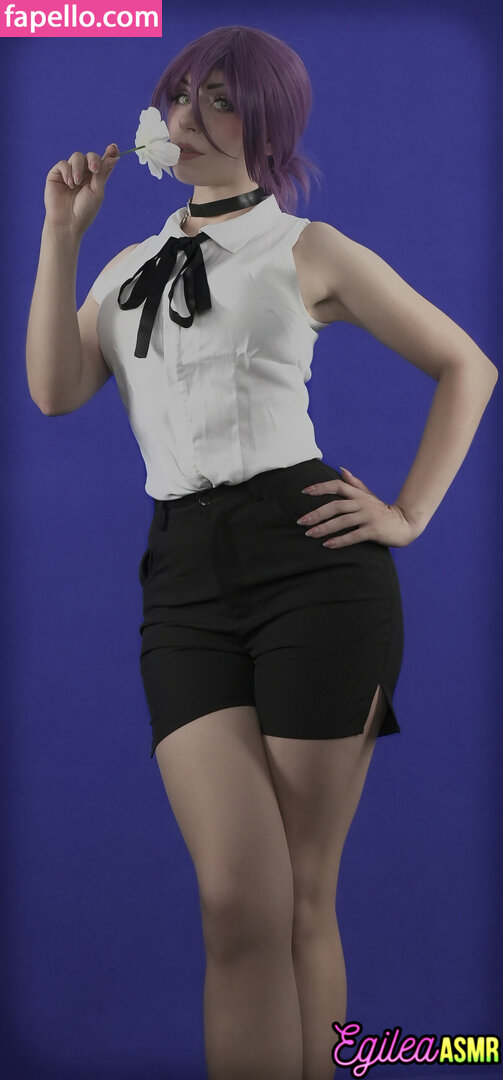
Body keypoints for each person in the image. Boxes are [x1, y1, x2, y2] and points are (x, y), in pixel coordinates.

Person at [26, 23, 498, 1080]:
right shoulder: (129, 266)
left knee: (300, 898)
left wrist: (408, 513)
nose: (188, 115)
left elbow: (467, 365)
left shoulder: (306, 249)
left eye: (222, 100)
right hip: (183, 581)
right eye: (180, 94)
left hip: (314, 576)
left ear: (270, 128)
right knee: (236, 901)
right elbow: (55, 389)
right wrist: (62, 233)